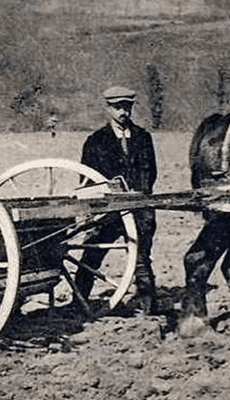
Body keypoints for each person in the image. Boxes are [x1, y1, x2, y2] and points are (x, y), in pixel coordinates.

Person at [75, 86, 158, 315]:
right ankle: (78, 302)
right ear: (108, 108)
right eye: (118, 107)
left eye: (127, 107)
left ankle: (149, 306)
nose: (123, 112)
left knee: (142, 258)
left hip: (139, 210)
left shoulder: (143, 138)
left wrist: (141, 198)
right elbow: (86, 179)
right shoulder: (95, 141)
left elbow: (151, 172)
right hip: (107, 213)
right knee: (92, 255)